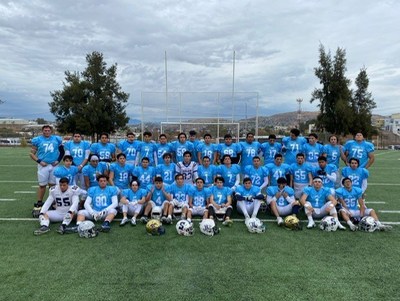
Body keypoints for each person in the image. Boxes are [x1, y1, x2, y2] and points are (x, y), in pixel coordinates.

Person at [30, 125, 64, 217]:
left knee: (53, 186)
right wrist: (39, 161)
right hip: (43, 165)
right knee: (42, 185)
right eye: (45, 130)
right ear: (42, 131)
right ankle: (39, 202)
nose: (47, 132)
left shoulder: (57, 139)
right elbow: (31, 154)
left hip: (54, 165)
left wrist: (58, 161)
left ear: (51, 131)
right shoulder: (37, 140)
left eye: (48, 130)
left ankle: (52, 203)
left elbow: (62, 152)